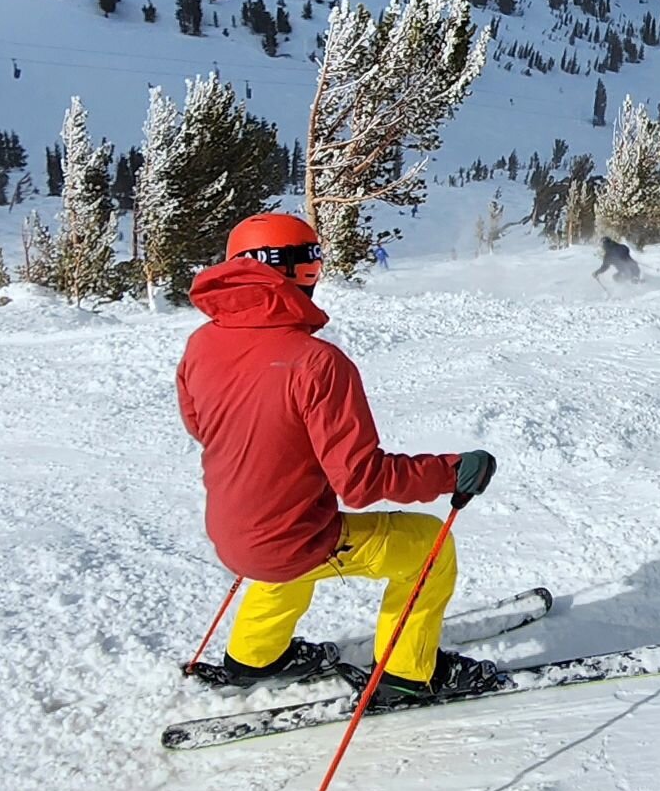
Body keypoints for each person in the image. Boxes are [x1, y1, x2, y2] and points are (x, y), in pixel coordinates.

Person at [176, 213, 499, 707]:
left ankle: (254, 657)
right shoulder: (316, 362)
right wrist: (452, 470)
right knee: (427, 547)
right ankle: (408, 675)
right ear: (295, 270)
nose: (317, 271)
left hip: (233, 530)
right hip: (291, 538)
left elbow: (204, 427)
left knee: (283, 548)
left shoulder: (201, 344)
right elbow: (362, 480)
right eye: (312, 259)